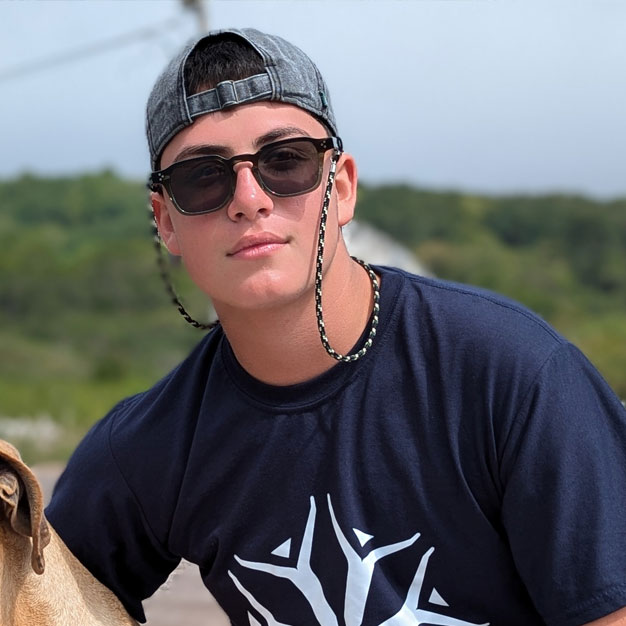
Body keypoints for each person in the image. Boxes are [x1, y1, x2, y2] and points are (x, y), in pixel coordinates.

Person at [46, 28, 626, 626]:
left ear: (342, 187)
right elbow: (35, 594)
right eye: (203, 177)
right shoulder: (151, 447)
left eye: (286, 161)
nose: (249, 199)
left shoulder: (512, 377)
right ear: (165, 222)